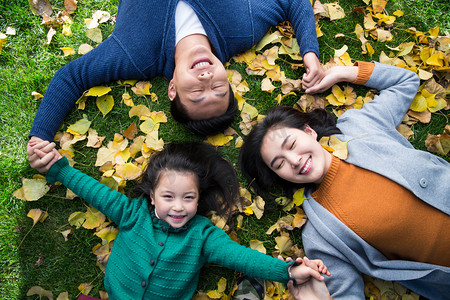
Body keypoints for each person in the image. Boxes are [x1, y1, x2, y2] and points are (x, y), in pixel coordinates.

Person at [28, 0, 324, 170]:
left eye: (196, 92)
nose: (207, 80)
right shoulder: (242, 28)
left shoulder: (135, 54)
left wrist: (39, 138)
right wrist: (310, 55)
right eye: (219, 88)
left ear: (172, 89)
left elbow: (72, 77)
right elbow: (292, 2)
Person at [239, 61, 450, 299]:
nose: (294, 161)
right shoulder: (319, 233)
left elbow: (405, 82)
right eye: (279, 164)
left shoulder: (359, 126)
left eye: (292, 145)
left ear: (309, 132)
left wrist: (341, 73)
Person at [29, 141, 330, 299]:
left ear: (199, 200)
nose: (178, 207)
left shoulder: (202, 236)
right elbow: (95, 192)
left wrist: (287, 271)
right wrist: (58, 169)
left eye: (188, 198)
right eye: (168, 197)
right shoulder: (132, 212)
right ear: (151, 196)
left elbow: (240, 256)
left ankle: (249, 294)